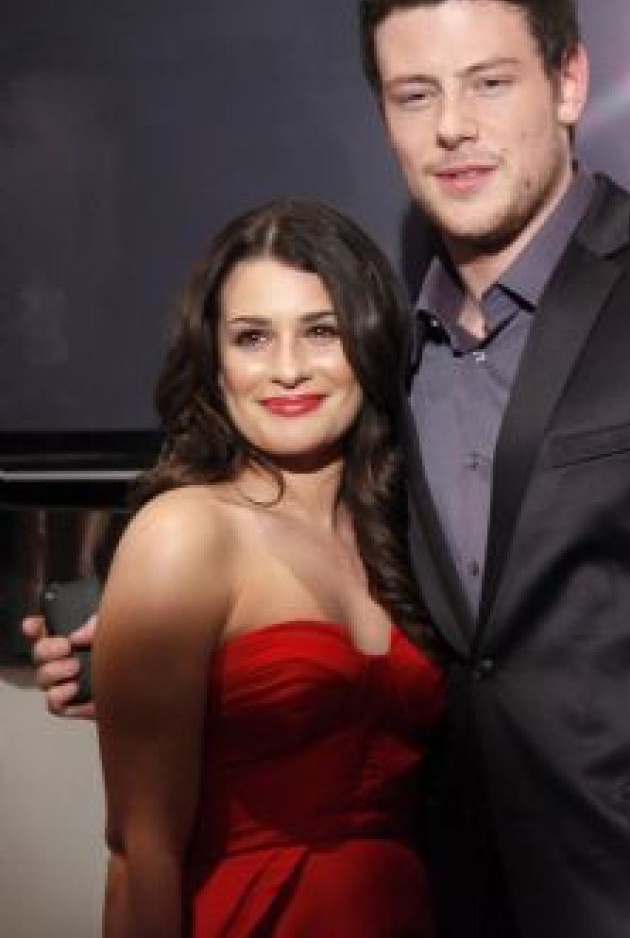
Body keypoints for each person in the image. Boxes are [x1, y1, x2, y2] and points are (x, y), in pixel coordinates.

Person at [27, 0, 630, 938]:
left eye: (489, 82)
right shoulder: (378, 368)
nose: (451, 125)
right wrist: (166, 662)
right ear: (384, 115)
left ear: (568, 82)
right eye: (415, 93)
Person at [75, 198, 443, 936]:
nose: (286, 369)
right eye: (251, 337)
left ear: (368, 343)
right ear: (214, 361)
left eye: (320, 331)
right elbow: (140, 853)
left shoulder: (407, 535)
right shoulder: (185, 532)